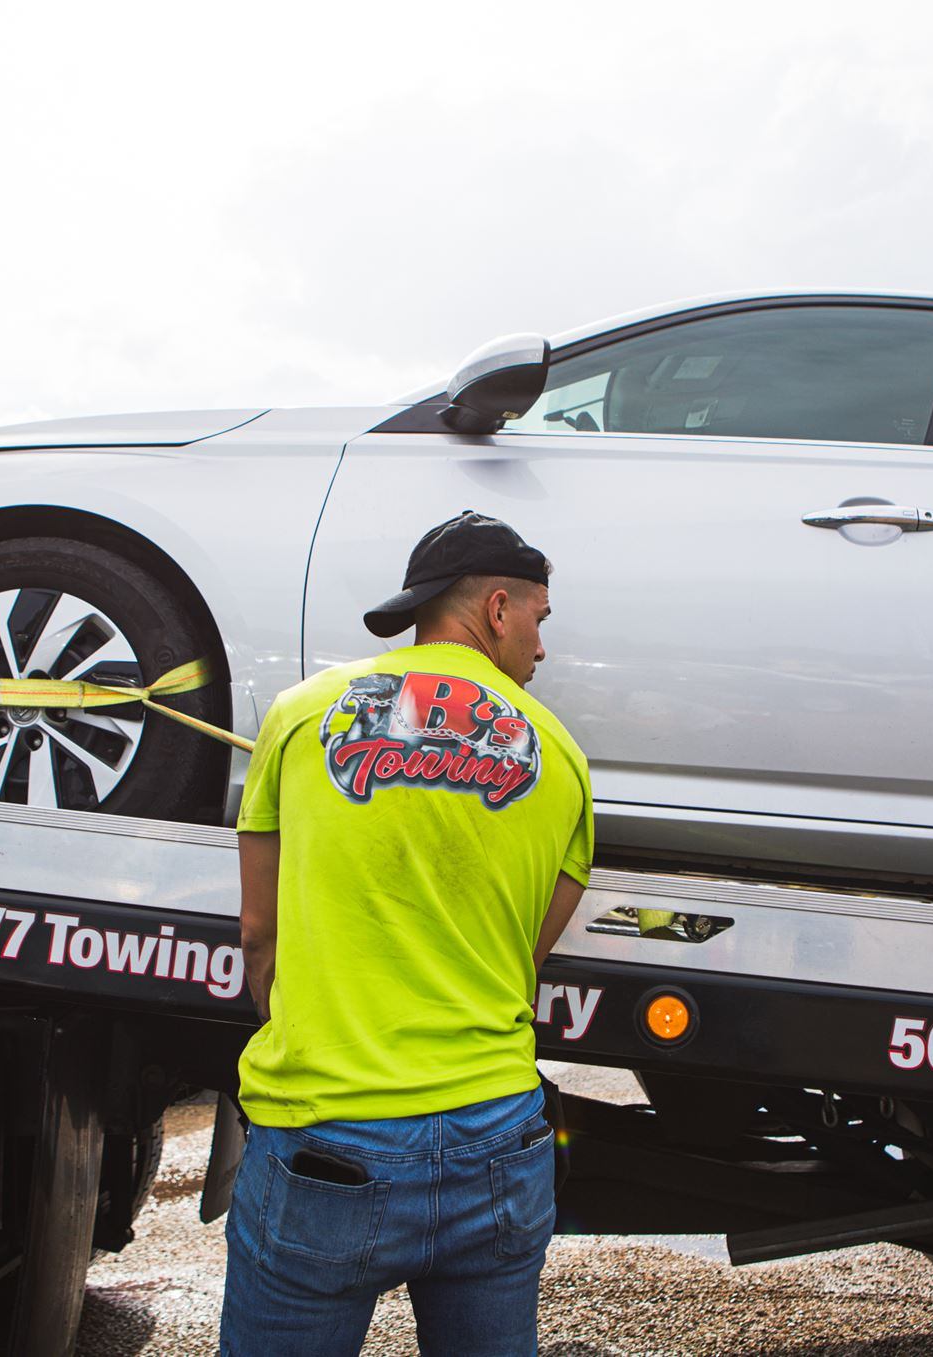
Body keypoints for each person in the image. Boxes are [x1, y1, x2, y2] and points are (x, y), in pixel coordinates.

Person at [219, 511, 594, 1357]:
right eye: (539, 618)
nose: (542, 647)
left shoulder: (302, 713)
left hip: (328, 1132)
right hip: (496, 1132)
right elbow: (521, 958)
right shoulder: (560, 755)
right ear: (498, 608)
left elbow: (258, 930)